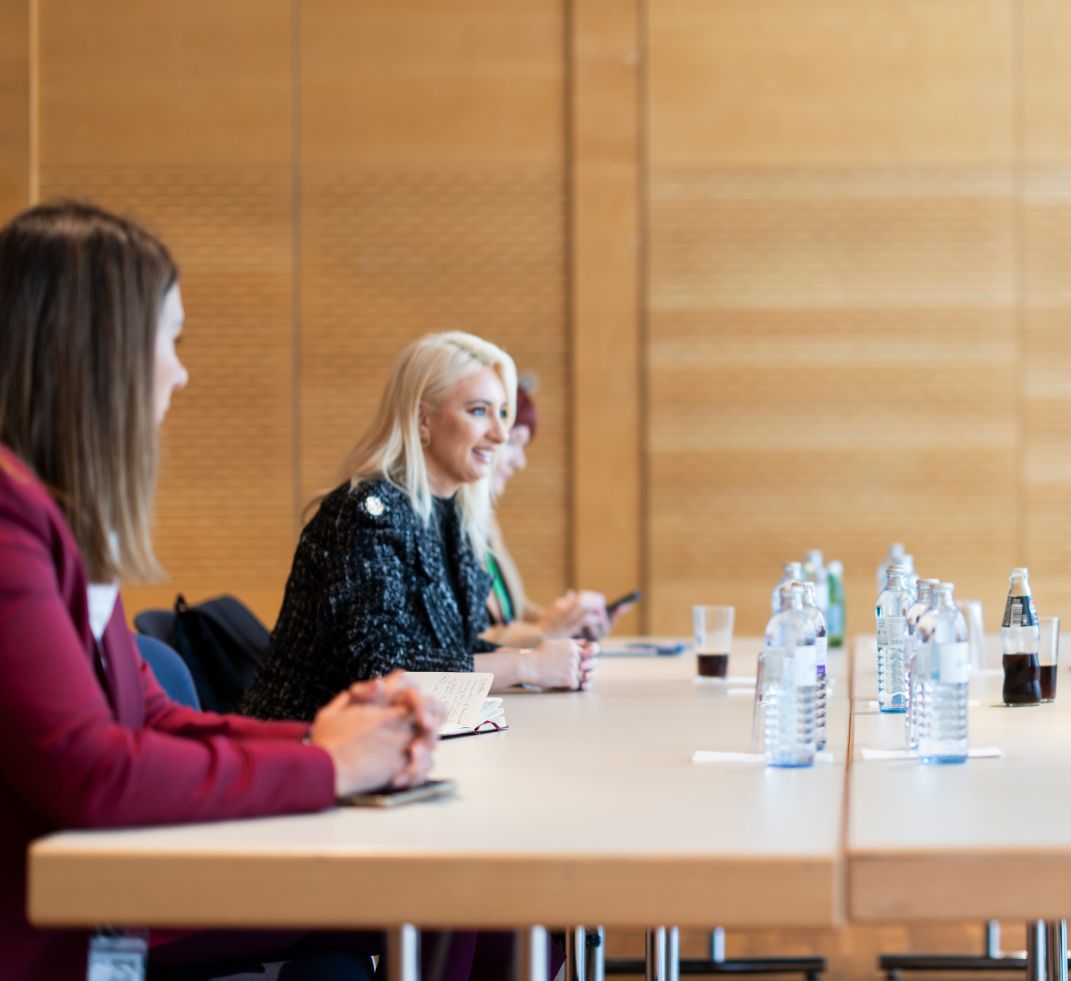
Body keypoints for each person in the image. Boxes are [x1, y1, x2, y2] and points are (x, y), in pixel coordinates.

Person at [0, 201, 441, 978]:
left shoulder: (55, 519)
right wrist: (331, 766)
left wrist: (326, 738)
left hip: (102, 901)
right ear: (94, 356)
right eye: (167, 342)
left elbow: (156, 719)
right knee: (435, 904)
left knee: (437, 905)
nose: (180, 370)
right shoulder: (10, 523)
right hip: (53, 932)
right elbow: (90, 769)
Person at [243, 332, 596, 723]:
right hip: (307, 748)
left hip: (390, 741)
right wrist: (527, 667)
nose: (498, 435)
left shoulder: (452, 517)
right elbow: (379, 668)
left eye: (502, 414)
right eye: (479, 411)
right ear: (422, 419)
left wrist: (544, 658)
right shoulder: (363, 513)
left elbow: (446, 649)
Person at [480, 381, 628, 648]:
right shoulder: (443, 525)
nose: (520, 462)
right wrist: (547, 629)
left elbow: (511, 611)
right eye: (514, 443)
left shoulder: (486, 522)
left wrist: (570, 622)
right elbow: (464, 642)